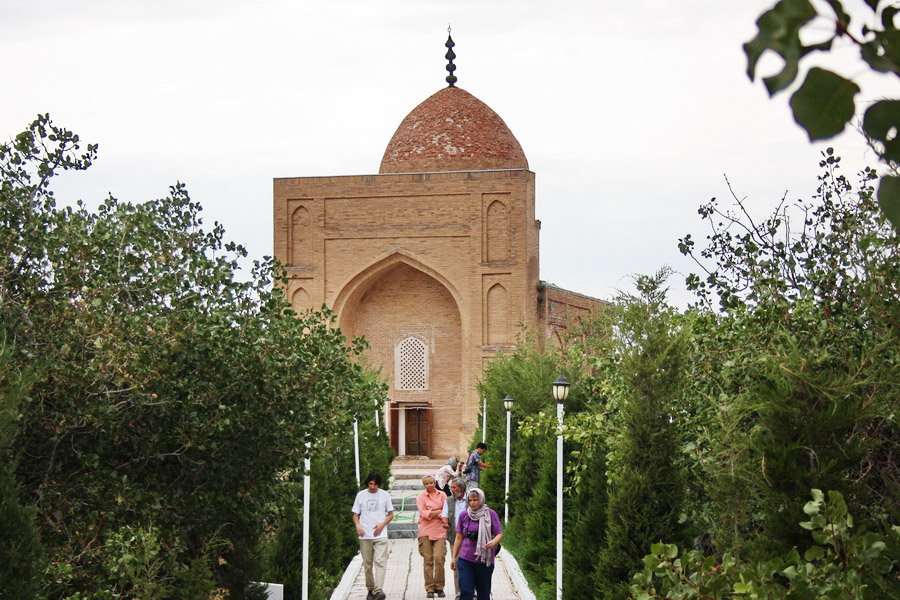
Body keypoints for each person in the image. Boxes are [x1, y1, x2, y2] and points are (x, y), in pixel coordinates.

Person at [450, 488, 503, 600]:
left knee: (483, 594)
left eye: (475, 500)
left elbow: (499, 534)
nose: (473, 503)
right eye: (470, 500)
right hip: (466, 560)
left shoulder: (490, 514)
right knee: (466, 591)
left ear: (481, 500)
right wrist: (454, 557)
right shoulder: (464, 515)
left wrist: (493, 542)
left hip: (484, 561)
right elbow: (459, 537)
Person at [352, 471, 394, 600]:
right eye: (371, 484)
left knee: (380, 562)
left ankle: (378, 590)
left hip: (380, 534)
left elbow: (391, 514)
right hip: (365, 534)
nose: (373, 487)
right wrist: (358, 525)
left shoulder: (385, 495)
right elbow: (355, 514)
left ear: (379, 484)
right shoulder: (361, 495)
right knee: (368, 563)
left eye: (375, 484)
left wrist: (382, 525)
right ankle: (370, 589)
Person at [416, 474, 449, 598]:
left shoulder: (443, 495)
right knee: (428, 560)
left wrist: (433, 513)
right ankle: (429, 588)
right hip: (425, 531)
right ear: (423, 485)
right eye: (426, 484)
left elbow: (446, 511)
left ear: (435, 482)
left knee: (439, 558)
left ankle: (439, 587)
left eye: (431, 482)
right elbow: (424, 514)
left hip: (440, 530)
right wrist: (438, 512)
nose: (429, 485)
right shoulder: (420, 497)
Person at [441, 477, 468, 600]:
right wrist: (445, 523)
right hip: (455, 537)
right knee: (456, 564)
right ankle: (459, 592)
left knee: (471, 565)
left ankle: (471, 591)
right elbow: (444, 516)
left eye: (454, 487)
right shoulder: (449, 501)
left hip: (470, 538)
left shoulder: (471, 498)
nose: (452, 490)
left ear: (461, 489)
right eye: (451, 487)